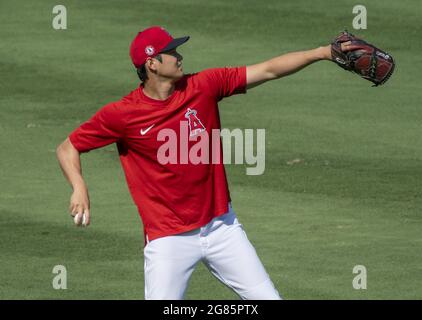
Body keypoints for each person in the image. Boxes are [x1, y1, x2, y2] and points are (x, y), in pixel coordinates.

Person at [56, 26, 351, 300]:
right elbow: (68, 147)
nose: (179, 56)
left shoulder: (203, 85)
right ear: (152, 64)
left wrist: (322, 53)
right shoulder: (122, 114)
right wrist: (79, 186)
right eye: (171, 52)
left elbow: (268, 70)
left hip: (222, 227)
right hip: (168, 239)